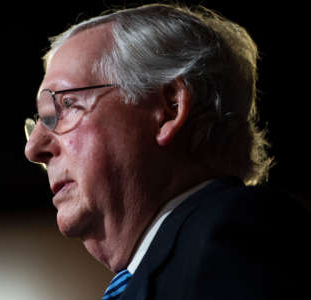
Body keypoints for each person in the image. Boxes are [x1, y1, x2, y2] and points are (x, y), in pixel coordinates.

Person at [24, 3, 311, 299]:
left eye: (67, 106)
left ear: (169, 108)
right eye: (39, 122)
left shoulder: (238, 235)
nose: (33, 149)